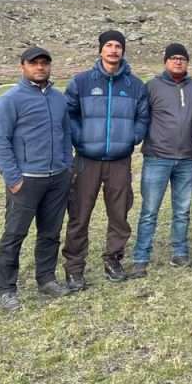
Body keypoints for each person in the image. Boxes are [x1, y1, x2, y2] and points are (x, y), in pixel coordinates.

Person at [62, 30, 149, 290]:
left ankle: (113, 258)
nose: (113, 50)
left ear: (123, 51)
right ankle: (74, 268)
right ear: (100, 50)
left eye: (118, 46)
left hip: (120, 161)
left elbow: (143, 117)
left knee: (119, 213)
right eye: (108, 45)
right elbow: (69, 115)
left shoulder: (135, 85)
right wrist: (80, 138)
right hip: (86, 160)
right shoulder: (81, 82)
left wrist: (133, 137)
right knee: (79, 214)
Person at [0, 47, 73, 311]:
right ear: (22, 67)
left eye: (44, 63)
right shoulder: (9, 100)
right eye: (34, 63)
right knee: (14, 234)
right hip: (26, 180)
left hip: (57, 178)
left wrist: (66, 166)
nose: (40, 68)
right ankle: (5, 289)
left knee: (50, 233)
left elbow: (66, 135)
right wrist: (13, 178)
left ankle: (46, 279)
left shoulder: (58, 99)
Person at [130, 43, 192, 276]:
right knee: (150, 210)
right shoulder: (152, 86)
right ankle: (141, 257)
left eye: (182, 58)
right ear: (165, 61)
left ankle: (179, 252)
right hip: (157, 158)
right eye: (173, 58)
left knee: (182, 210)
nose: (178, 61)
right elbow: (141, 116)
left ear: (187, 62)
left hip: (186, 159)